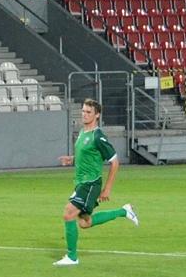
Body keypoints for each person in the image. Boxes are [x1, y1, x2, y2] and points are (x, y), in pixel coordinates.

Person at [54, 99, 139, 266]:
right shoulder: (83, 133)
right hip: (80, 182)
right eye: (83, 111)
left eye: (88, 112)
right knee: (85, 222)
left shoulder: (98, 136)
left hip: (91, 183)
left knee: (68, 213)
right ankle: (124, 211)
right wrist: (71, 160)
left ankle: (72, 257)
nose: (84, 115)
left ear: (97, 115)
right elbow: (86, 156)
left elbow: (114, 162)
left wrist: (107, 189)